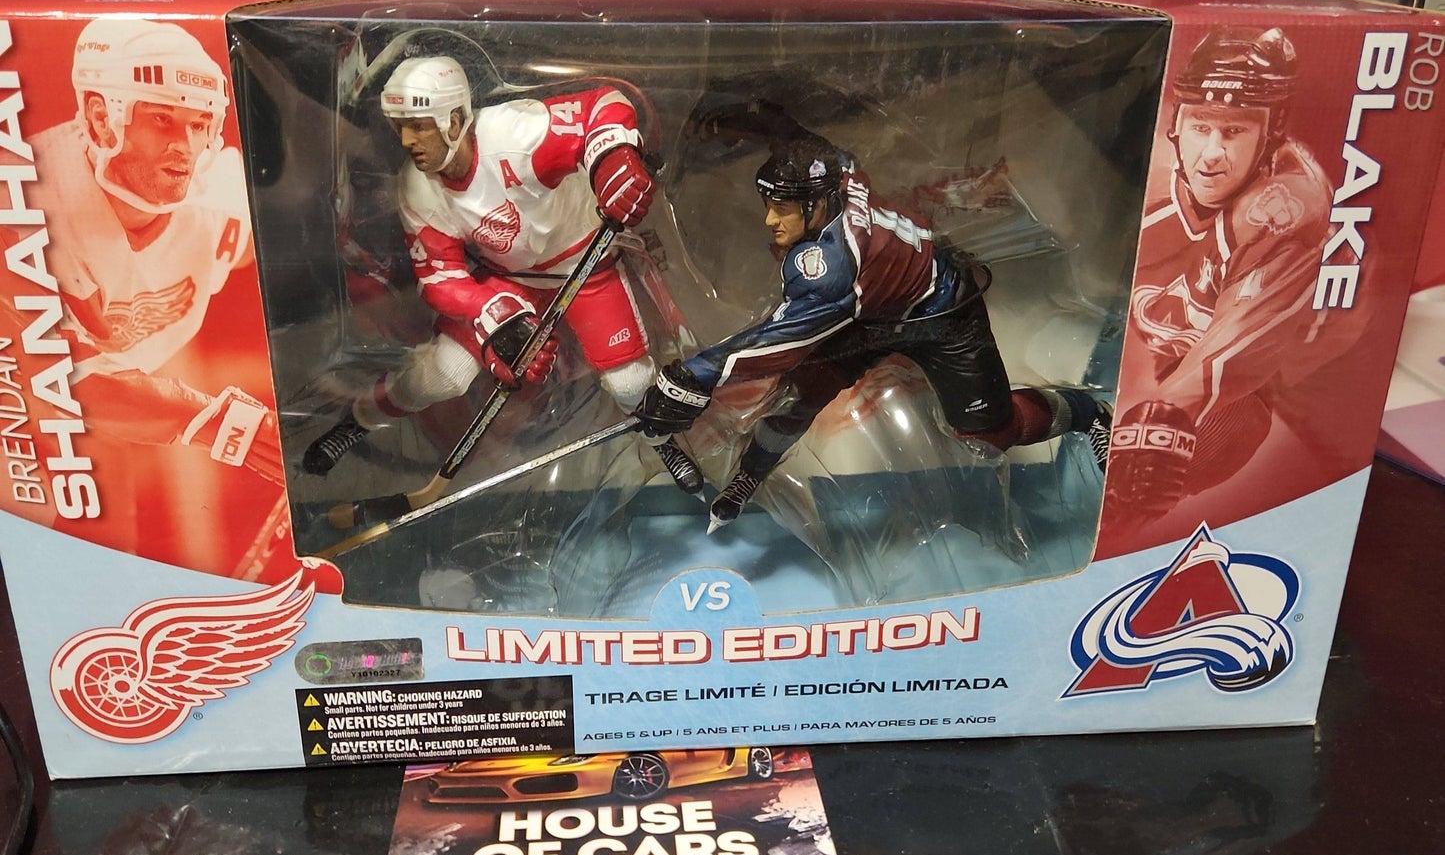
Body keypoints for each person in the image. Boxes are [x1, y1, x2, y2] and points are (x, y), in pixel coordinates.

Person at [634, 141, 1111, 532]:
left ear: (816, 205)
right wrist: (757, 118)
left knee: (990, 434)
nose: (770, 221)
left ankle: (1089, 413)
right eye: (770, 205)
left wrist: (689, 378)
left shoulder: (830, 268)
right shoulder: (839, 173)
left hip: (941, 311)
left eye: (782, 209)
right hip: (872, 311)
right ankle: (749, 477)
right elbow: (829, 152)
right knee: (796, 398)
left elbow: (777, 342)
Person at [303, 55, 701, 491]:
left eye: (418, 126)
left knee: (630, 381)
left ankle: (660, 441)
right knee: (442, 375)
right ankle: (361, 418)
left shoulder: (513, 134)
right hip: (508, 281)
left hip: (586, 268)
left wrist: (612, 160)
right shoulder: (416, 187)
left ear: (455, 120)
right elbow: (440, 279)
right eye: (400, 127)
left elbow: (603, 105)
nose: (407, 140)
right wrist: (498, 318)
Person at [39, 19, 282, 486]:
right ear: (101, 118)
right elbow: (61, 380)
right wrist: (220, 422)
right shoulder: (26, 207)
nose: (184, 148)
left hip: (123, 416)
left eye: (198, 124)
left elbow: (302, 259)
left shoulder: (219, 202)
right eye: (161, 119)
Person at [1110, 27, 1333, 520]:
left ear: (1270, 132)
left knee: (1153, 474)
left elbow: (1230, 356)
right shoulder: (1146, 173)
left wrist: (1162, 421)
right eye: (1200, 126)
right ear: (1177, 122)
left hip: (1253, 393)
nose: (1212, 153)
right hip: (1139, 356)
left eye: (1233, 131)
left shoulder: (1284, 206)